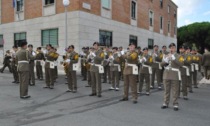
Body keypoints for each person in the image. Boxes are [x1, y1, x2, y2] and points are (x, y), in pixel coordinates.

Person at [161, 43, 184, 111]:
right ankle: (165, 103)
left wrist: (174, 58)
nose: (172, 49)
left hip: (174, 74)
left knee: (175, 90)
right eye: (170, 48)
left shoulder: (179, 56)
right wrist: (166, 60)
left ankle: (175, 104)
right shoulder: (166, 55)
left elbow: (181, 64)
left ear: (175, 48)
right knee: (166, 90)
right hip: (166, 74)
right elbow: (161, 64)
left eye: (173, 48)